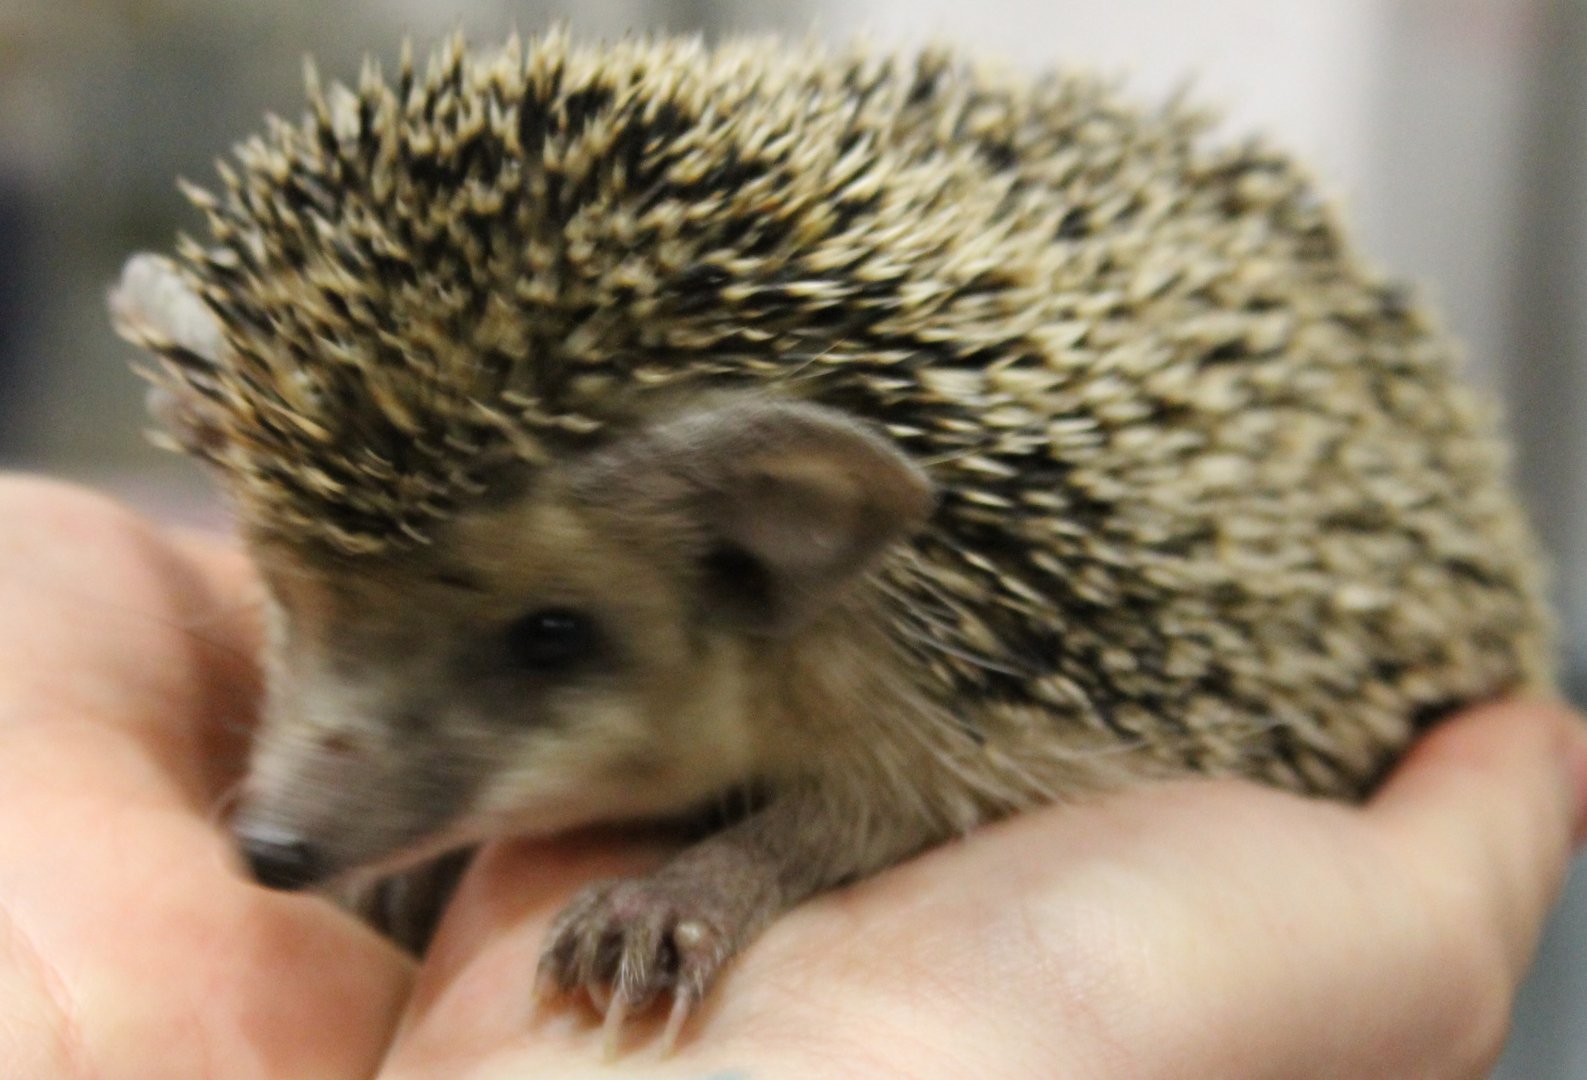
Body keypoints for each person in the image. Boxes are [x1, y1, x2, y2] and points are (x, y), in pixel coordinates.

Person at [0, 473, 1580, 1080]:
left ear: (779, 533)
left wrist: (727, 878)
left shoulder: (906, 654)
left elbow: (938, 774)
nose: (281, 818)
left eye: (540, 635)